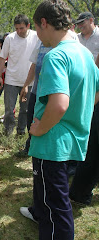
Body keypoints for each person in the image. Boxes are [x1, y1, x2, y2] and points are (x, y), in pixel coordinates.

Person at [19, 1, 99, 239]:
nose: (38, 36)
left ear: (44, 23)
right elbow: (94, 95)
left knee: (57, 203)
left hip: (52, 143)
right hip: (73, 138)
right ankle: (39, 215)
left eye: (37, 28)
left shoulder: (56, 56)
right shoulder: (85, 54)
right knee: (49, 194)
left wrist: (40, 129)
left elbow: (60, 104)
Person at [69, 11, 99, 205]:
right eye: (77, 24)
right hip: (87, 88)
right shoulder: (76, 40)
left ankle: (80, 193)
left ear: (92, 21)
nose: (80, 27)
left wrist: (90, 101)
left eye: (83, 24)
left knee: (94, 147)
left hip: (93, 90)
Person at [0, 14, 38, 136]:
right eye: (17, 28)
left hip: (29, 82)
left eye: (22, 28)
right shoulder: (10, 38)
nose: (19, 31)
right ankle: (7, 132)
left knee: (25, 109)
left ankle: (21, 132)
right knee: (9, 109)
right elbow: (2, 58)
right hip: (11, 81)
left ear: (28, 26)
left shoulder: (36, 36)